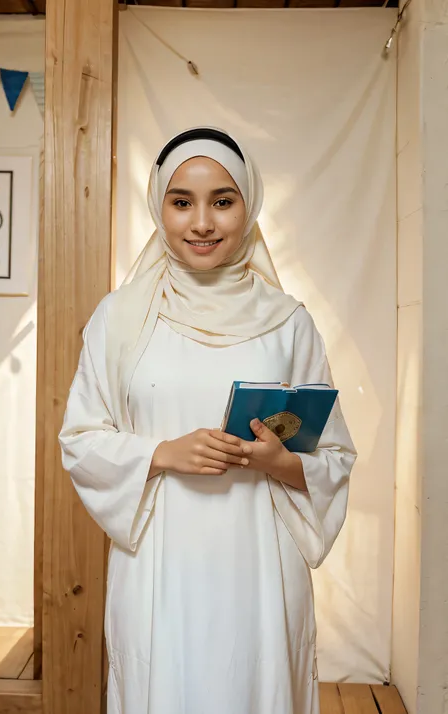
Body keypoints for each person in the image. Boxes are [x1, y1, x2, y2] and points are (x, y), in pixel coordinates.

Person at [59, 127, 357, 714]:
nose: (202, 222)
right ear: (158, 207)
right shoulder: (119, 318)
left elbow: (334, 456)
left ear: (249, 205)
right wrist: (160, 453)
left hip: (260, 568)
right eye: (182, 201)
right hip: (160, 563)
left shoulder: (287, 321)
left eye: (222, 201)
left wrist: (281, 461)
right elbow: (81, 438)